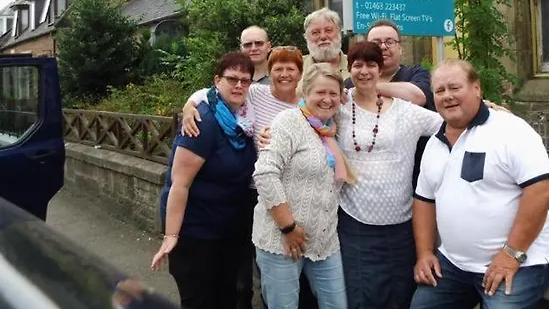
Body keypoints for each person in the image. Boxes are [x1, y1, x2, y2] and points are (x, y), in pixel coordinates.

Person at [411, 59, 549, 309]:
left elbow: (540, 191)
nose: (447, 96)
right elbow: (424, 201)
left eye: (455, 87)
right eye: (440, 90)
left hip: (521, 262)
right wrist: (425, 253)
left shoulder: (510, 130)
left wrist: (511, 254)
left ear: (477, 88)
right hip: (453, 265)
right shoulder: (434, 144)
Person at [181, 46, 306, 309]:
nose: (284, 74)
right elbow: (211, 92)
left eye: (290, 69)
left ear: (300, 74)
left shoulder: (306, 105)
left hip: (291, 194)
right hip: (252, 192)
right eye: (278, 69)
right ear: (269, 73)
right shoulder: (257, 93)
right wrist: (189, 106)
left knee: (287, 260)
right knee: (245, 265)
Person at [337, 42, 444, 309]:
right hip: (355, 221)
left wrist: (486, 109)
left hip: (401, 222)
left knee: (401, 293)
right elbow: (305, 114)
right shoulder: (338, 105)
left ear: (380, 69)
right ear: (349, 69)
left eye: (371, 65)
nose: (364, 71)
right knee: (363, 296)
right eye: (357, 65)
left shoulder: (405, 111)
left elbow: (450, 122)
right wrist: (270, 132)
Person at [151, 52, 257, 309]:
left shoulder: (243, 120)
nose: (239, 85)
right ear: (217, 81)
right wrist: (171, 235)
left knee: (226, 299)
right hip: (197, 234)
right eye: (232, 79)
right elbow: (180, 183)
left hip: (227, 231)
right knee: (201, 301)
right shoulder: (203, 121)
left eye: (245, 80)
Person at [253, 63, 352, 309]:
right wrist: (288, 227)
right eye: (320, 92)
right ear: (305, 92)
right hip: (280, 240)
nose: (327, 99)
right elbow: (265, 173)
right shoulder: (288, 122)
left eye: (333, 93)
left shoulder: (334, 127)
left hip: (324, 241)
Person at [345, 19, 435, 189]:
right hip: (359, 185)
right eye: (376, 42)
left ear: (400, 48)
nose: (383, 46)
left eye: (390, 41)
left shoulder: (416, 73)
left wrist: (367, 86)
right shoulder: (349, 84)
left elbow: (417, 96)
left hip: (414, 179)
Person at [301, 8, 350, 89]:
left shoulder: (356, 67)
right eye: (315, 32)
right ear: (306, 37)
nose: (323, 37)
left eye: (328, 30)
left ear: (339, 33)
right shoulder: (296, 67)